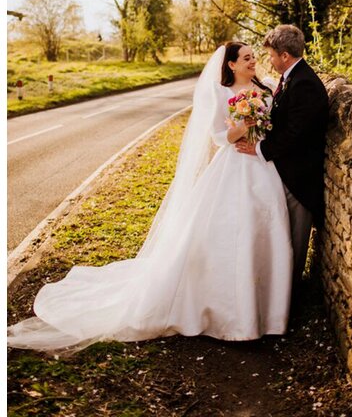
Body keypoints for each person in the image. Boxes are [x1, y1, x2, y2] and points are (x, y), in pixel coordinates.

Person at [8, 43, 293, 352]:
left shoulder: (265, 87)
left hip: (263, 167)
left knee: (264, 230)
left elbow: (276, 125)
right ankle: (229, 313)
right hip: (233, 167)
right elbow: (216, 137)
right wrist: (242, 127)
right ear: (231, 65)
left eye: (254, 57)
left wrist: (262, 131)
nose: (254, 62)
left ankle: (268, 312)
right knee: (226, 236)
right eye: (247, 58)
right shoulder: (220, 92)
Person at [235, 25, 329, 285]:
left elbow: (295, 133)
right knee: (282, 240)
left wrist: (259, 149)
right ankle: (278, 293)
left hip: (300, 180)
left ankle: (290, 299)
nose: (269, 60)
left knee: (295, 245)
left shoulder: (305, 84)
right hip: (286, 172)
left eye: (271, 55)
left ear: (284, 55)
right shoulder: (293, 78)